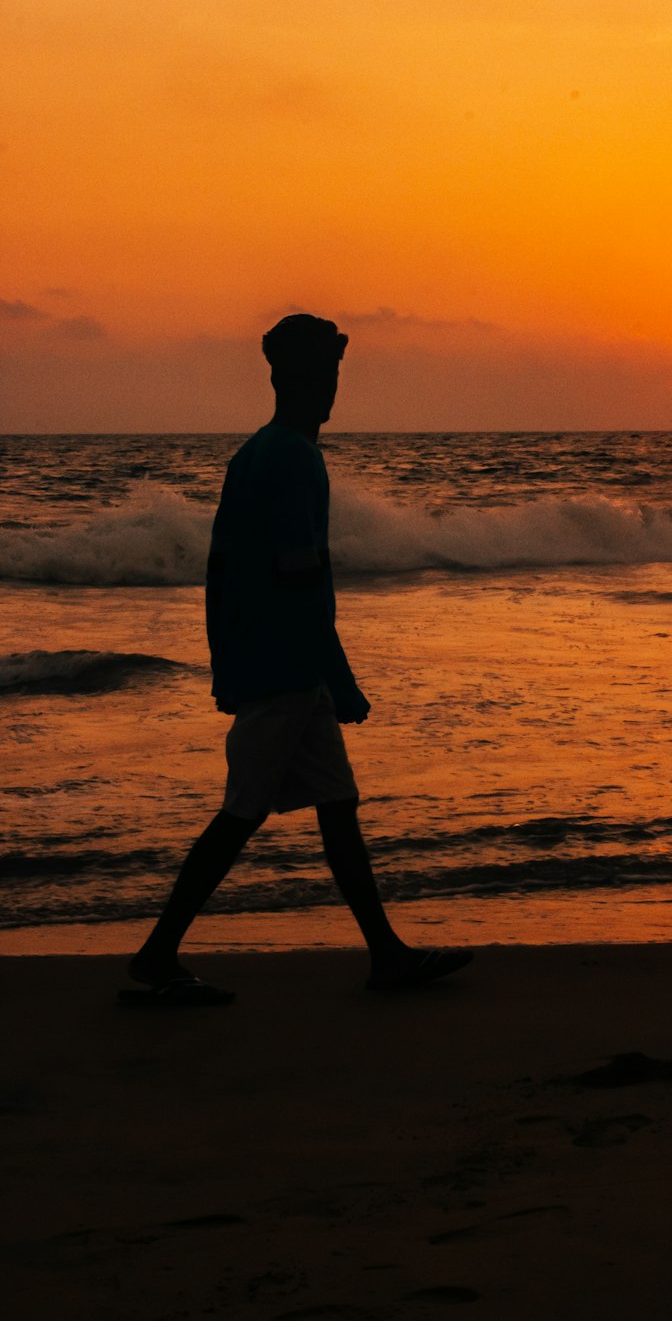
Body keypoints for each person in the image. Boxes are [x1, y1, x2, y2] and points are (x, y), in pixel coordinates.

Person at [121, 313, 472, 1005]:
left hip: (277, 664)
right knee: (242, 812)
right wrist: (337, 677)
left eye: (333, 371)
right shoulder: (291, 458)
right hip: (285, 668)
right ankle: (157, 955)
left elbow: (220, 571)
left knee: (338, 806)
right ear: (293, 377)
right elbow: (299, 575)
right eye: (321, 372)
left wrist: (230, 660)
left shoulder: (255, 453)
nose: (330, 386)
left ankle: (387, 955)